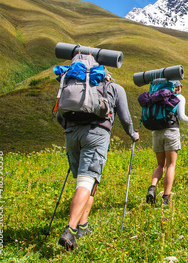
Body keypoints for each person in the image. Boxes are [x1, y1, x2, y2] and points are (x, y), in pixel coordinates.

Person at [57, 72, 139, 250]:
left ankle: (83, 226)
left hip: (71, 134)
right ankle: (70, 229)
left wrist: (73, 129)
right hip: (96, 135)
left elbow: (59, 116)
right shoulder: (114, 88)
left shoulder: (72, 85)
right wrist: (133, 135)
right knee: (87, 180)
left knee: (85, 181)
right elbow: (125, 118)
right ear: (106, 75)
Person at [146, 80, 188, 207]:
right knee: (171, 165)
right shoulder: (179, 97)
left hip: (156, 132)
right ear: (178, 87)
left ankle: (152, 187)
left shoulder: (157, 97)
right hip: (171, 131)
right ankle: (165, 198)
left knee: (160, 165)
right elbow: (181, 116)